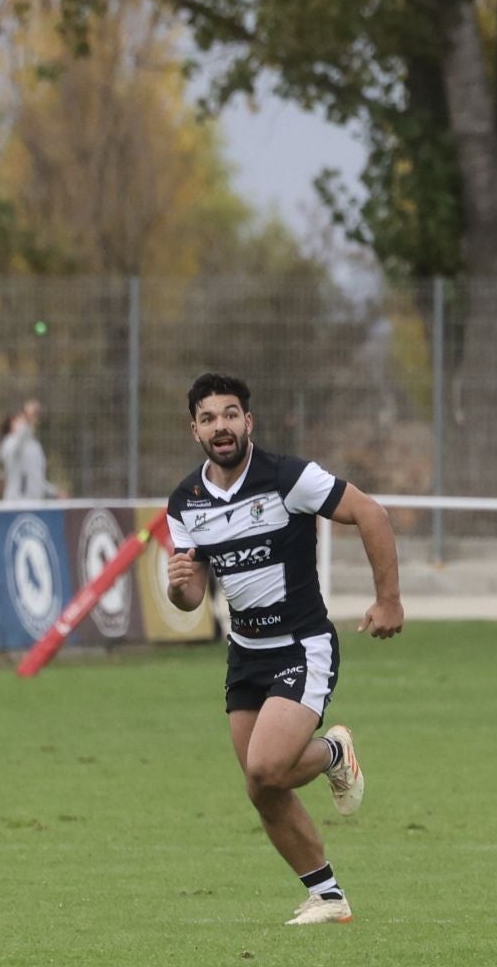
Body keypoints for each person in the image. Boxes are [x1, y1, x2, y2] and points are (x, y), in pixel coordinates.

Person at [165, 373, 405, 926]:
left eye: (230, 415)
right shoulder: (186, 502)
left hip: (302, 645)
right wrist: (178, 587)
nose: (220, 426)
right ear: (195, 430)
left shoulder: (288, 477)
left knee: (268, 768)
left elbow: (372, 513)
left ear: (248, 422)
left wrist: (388, 600)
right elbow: (191, 595)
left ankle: (333, 755)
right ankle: (328, 896)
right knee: (261, 786)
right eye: (208, 418)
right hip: (245, 653)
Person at [0, 399, 65, 500]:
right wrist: (27, 417)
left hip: (36, 503)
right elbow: (18, 444)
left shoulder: (35, 446)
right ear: (11, 426)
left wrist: (55, 492)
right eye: (19, 420)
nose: (23, 423)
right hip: (16, 503)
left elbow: (37, 479)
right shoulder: (8, 443)